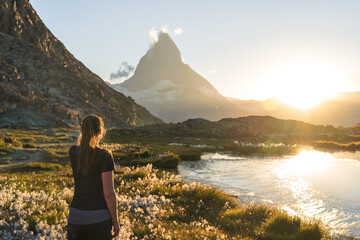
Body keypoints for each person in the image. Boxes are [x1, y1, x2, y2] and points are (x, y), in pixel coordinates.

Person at [67, 115, 120, 239]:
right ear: (100, 132)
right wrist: (115, 221)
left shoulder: (73, 152)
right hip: (99, 220)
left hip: (75, 217)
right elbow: (109, 194)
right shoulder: (104, 156)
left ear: (82, 130)